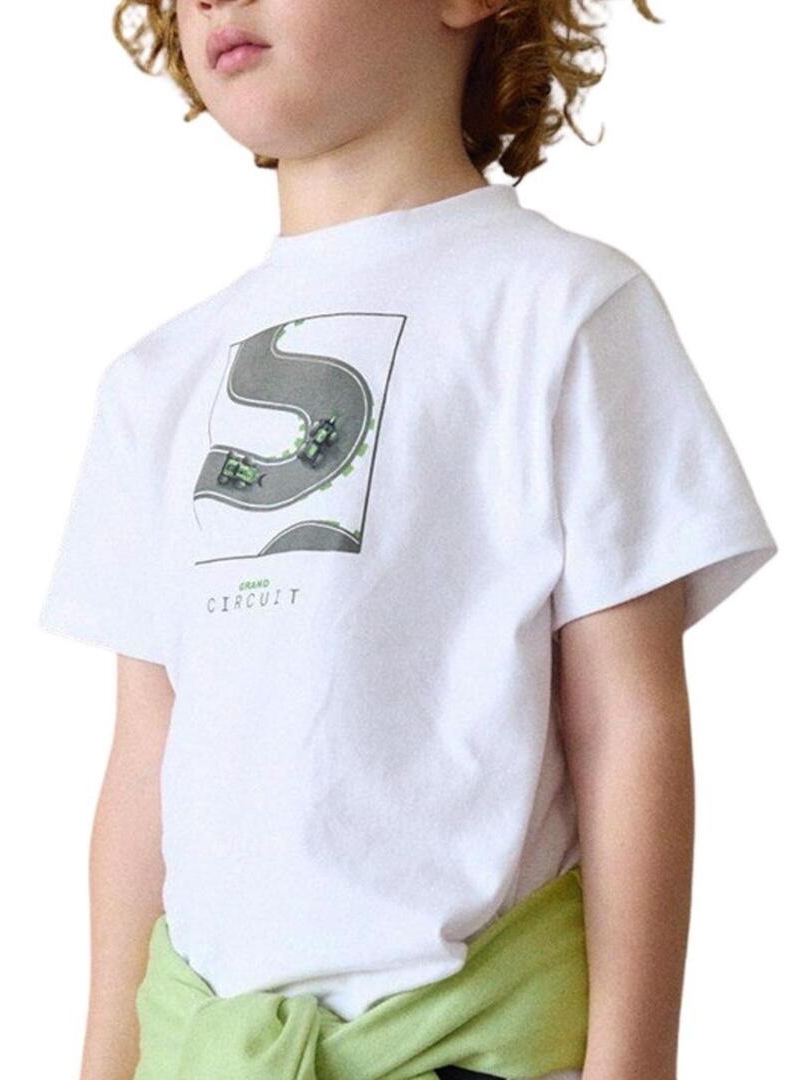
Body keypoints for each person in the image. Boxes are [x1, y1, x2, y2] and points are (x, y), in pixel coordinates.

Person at [39, 2, 779, 1079]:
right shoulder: (155, 379)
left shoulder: (562, 309)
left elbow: (627, 725)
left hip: (468, 1047)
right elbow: (145, 765)